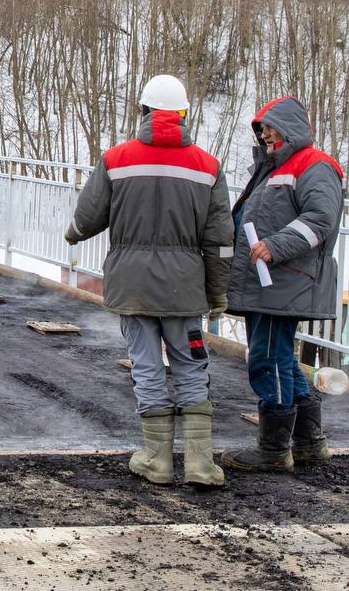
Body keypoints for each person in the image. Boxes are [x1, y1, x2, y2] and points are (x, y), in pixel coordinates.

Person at [65, 75, 233, 487]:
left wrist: (71, 233)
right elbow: (220, 240)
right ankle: (199, 464)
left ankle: (157, 460)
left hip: (133, 285)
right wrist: (216, 291)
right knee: (192, 367)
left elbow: (87, 218)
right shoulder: (208, 166)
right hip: (184, 288)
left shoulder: (117, 158)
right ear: (182, 116)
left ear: (142, 112)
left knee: (146, 366)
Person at [221, 96, 344, 473]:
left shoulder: (314, 166)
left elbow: (320, 220)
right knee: (283, 360)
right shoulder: (276, 168)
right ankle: (308, 441)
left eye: (271, 127)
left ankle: (273, 449)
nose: (266, 135)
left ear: (290, 127)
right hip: (271, 281)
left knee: (268, 359)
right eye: (261, 129)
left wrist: (276, 246)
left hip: (284, 280)